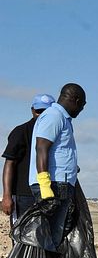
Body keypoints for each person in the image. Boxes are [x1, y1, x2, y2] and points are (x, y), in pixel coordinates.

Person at [30, 83, 87, 249]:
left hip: (61, 183)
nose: (81, 110)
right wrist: (45, 184)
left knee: (55, 236)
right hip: (53, 184)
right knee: (49, 235)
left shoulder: (62, 119)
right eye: (82, 105)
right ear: (76, 100)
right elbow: (41, 147)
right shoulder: (54, 116)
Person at [2, 94, 55, 227]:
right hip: (23, 195)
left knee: (46, 239)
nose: (42, 115)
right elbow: (10, 162)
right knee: (21, 238)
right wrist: (7, 196)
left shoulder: (56, 132)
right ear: (32, 110)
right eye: (39, 111)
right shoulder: (21, 131)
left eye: (46, 111)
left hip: (49, 194)